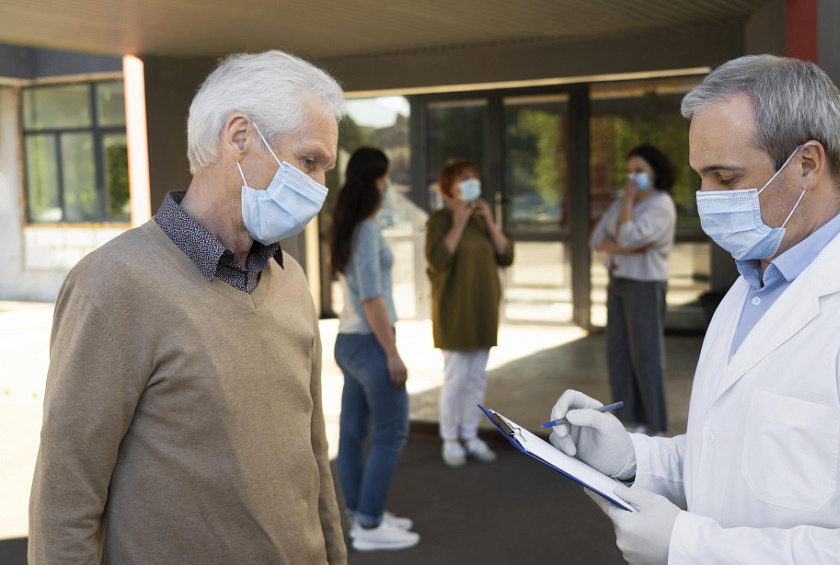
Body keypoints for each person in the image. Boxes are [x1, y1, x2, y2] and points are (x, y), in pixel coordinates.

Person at [550, 54, 840, 564]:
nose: (704, 198)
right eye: (699, 176)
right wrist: (633, 458)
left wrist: (691, 547)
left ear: (807, 164)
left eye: (725, 178)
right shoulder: (752, 284)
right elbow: (733, 453)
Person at [29, 51, 347, 564]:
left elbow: (311, 455)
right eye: (309, 162)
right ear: (239, 137)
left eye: (324, 169)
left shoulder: (291, 280)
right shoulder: (112, 284)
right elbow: (66, 498)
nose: (319, 187)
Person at [329, 147, 419, 552]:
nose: (389, 183)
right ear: (376, 181)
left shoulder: (348, 225)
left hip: (349, 342)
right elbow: (372, 297)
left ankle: (362, 513)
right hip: (369, 342)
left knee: (351, 433)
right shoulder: (365, 229)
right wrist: (392, 352)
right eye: (386, 176)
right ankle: (368, 525)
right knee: (391, 432)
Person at [425, 159, 514, 467]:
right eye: (465, 178)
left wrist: (488, 220)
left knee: (476, 377)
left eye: (475, 177)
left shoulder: (482, 219)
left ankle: (470, 433)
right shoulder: (438, 221)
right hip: (454, 310)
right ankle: (450, 438)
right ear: (450, 187)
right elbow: (437, 261)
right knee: (455, 378)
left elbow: (506, 255)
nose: (473, 182)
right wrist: (459, 222)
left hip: (483, 308)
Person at [590, 144, 677, 435]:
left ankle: (655, 423)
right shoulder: (620, 204)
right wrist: (626, 248)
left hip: (645, 285)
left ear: (654, 172)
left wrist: (627, 206)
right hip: (617, 282)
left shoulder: (660, 204)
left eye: (639, 171)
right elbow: (597, 237)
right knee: (618, 353)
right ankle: (628, 419)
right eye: (629, 171)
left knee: (646, 354)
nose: (632, 178)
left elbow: (626, 234)